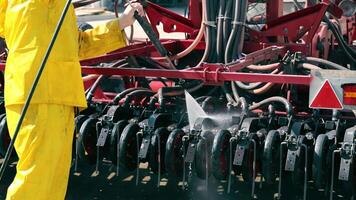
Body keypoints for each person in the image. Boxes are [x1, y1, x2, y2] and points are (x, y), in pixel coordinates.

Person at [0, 0, 144, 199]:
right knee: (37, 179)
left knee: (53, 181)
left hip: (56, 98)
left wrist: (121, 23)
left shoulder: (59, 8)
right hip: (39, 96)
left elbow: (78, 45)